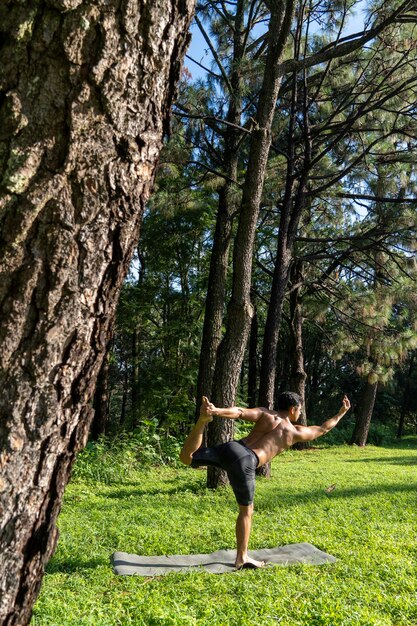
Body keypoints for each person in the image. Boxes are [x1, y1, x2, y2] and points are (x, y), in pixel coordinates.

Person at [179, 391, 351, 569]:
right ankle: (242, 557)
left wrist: (215, 411)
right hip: (246, 460)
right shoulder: (293, 431)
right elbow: (323, 429)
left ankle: (202, 422)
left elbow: (239, 411)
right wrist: (341, 413)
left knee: (187, 457)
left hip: (233, 447)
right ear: (293, 409)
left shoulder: (265, 413)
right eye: (299, 410)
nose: (300, 414)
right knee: (247, 511)